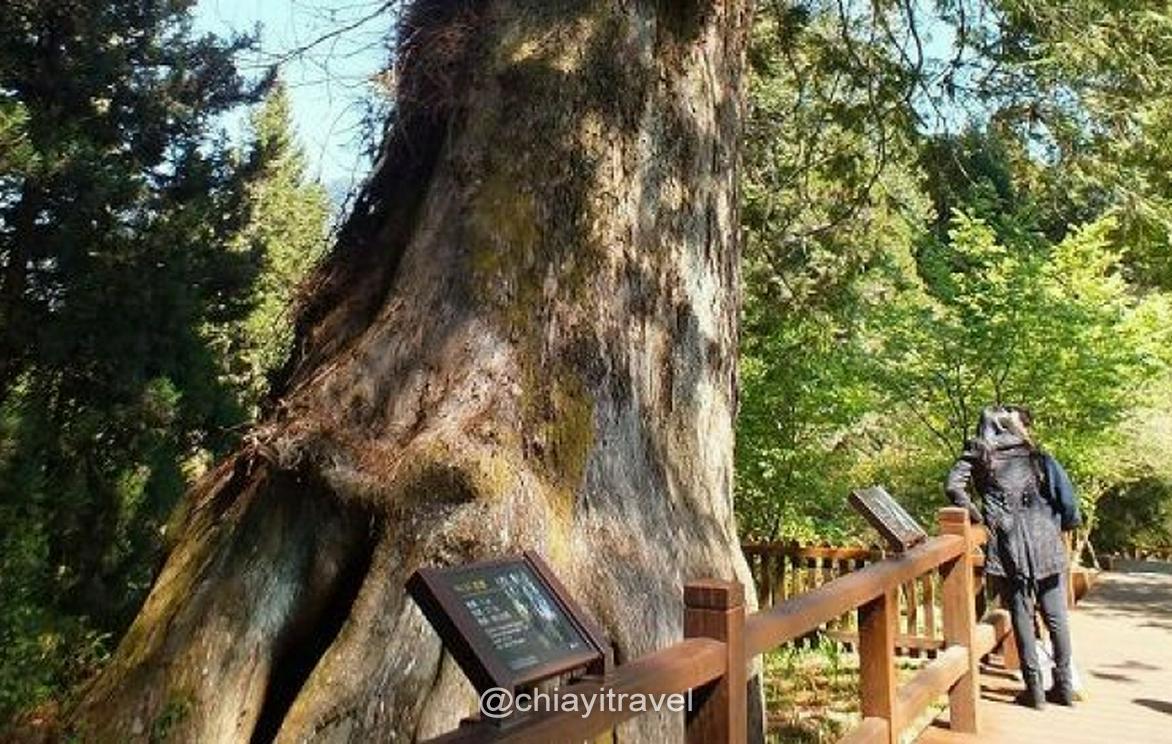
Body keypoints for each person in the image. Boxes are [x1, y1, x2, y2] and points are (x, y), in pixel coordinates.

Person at [944, 405, 1081, 709]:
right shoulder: (1036, 455)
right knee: (1056, 616)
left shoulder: (980, 453)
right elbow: (1068, 502)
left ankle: (1034, 692)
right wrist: (1066, 525)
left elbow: (953, 487)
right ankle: (1065, 688)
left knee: (1021, 611)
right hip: (1046, 539)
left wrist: (982, 517)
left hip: (1009, 544)